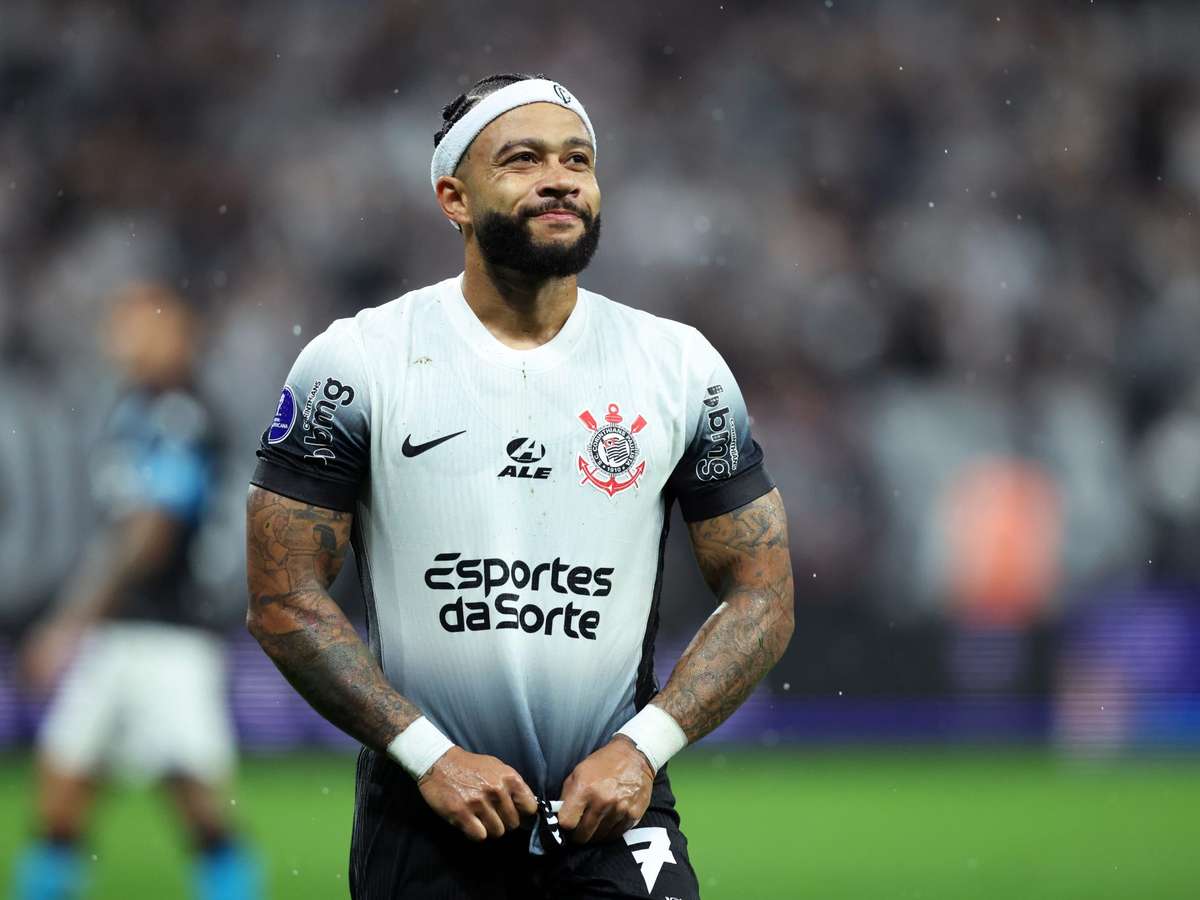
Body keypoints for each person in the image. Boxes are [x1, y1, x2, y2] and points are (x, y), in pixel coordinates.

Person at [245, 73, 794, 900]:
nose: (560, 178)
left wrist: (643, 747)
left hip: (614, 804)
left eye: (578, 159)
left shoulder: (681, 367)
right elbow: (280, 594)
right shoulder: (356, 362)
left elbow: (764, 592)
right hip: (428, 807)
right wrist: (430, 756)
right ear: (454, 198)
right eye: (523, 159)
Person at [14, 283, 260, 900]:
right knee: (61, 786)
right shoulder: (133, 408)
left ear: (181, 334)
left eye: (143, 325)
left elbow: (152, 531)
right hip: (118, 631)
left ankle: (234, 887)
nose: (125, 339)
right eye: (121, 325)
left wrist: (68, 622)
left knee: (198, 802)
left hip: (168, 636)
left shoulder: (183, 414)